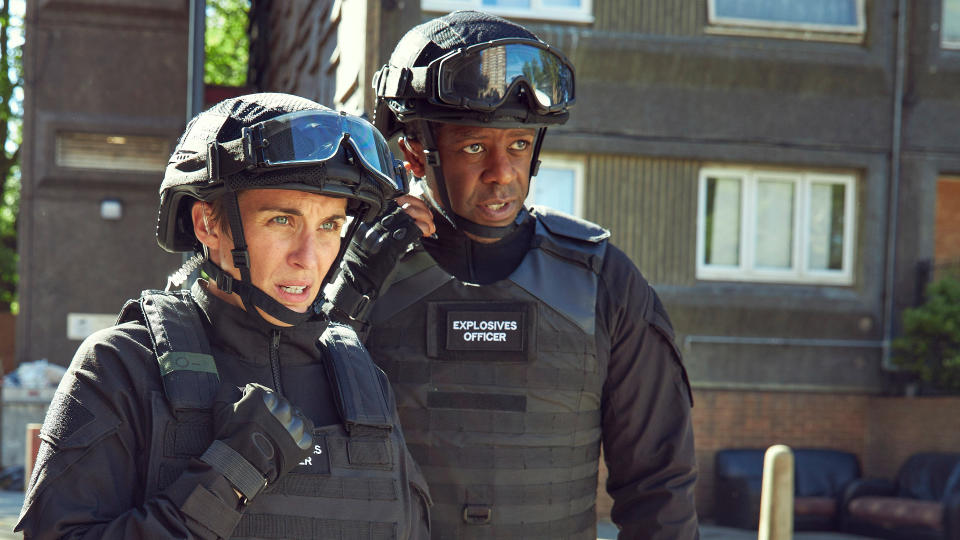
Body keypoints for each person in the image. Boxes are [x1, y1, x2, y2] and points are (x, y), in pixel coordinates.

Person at [324, 10, 699, 540]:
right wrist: (351, 287)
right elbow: (285, 421)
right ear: (414, 150)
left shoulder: (602, 278)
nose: (503, 173)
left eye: (519, 145)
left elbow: (660, 488)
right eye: (475, 146)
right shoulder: (356, 270)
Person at [16, 93, 432, 540]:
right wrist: (227, 478)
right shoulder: (122, 366)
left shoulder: (361, 380)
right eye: (282, 221)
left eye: (329, 225)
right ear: (208, 225)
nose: (308, 258)